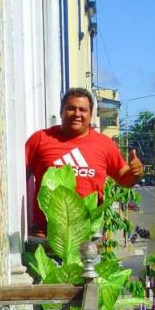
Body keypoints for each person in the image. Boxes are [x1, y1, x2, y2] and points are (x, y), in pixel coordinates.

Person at [25, 87, 143, 234]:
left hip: (86, 236)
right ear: (61, 112)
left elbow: (125, 179)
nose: (77, 114)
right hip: (45, 234)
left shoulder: (104, 144)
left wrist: (136, 173)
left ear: (90, 115)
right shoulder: (40, 139)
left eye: (83, 110)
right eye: (71, 108)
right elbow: (17, 179)